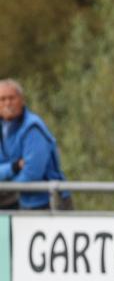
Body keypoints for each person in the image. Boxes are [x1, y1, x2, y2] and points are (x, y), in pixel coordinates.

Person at [0, 79, 71, 210]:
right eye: (2, 99)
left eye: (11, 98)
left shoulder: (32, 128)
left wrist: (6, 188)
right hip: (23, 202)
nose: (7, 103)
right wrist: (14, 167)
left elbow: (32, 173)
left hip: (49, 202)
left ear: (22, 100)